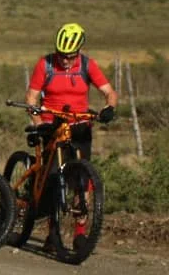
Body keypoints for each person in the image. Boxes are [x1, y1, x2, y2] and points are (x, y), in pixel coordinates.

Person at [24, 23, 117, 251]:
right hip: (52, 124)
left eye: (70, 56)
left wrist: (109, 108)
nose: (65, 60)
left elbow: (108, 91)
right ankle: (52, 231)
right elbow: (31, 99)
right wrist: (39, 124)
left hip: (80, 126)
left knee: (82, 182)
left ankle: (79, 232)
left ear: (79, 51)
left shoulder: (87, 65)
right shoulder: (45, 64)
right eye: (61, 55)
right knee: (55, 178)